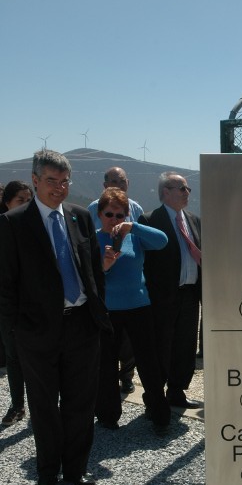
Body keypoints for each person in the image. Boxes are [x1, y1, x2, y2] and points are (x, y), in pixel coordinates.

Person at [0, 150, 112, 485]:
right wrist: (16, 331)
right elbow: (5, 284)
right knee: (44, 404)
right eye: (51, 180)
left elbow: (94, 272)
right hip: (37, 331)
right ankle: (47, 471)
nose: (59, 188)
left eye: (65, 181)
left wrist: (96, 313)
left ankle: (76, 469)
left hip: (82, 325)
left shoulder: (80, 217)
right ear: (35, 181)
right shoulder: (13, 223)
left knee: (81, 402)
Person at [95, 187, 171, 436]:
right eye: (109, 214)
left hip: (139, 307)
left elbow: (162, 241)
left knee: (149, 362)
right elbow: (89, 276)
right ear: (100, 214)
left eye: (120, 215)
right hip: (108, 311)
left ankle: (159, 415)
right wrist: (105, 266)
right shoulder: (92, 239)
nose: (114, 220)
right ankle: (107, 415)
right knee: (107, 364)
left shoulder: (134, 236)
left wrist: (133, 227)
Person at [140, 172, 202, 409]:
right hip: (163, 297)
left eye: (188, 189)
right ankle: (155, 397)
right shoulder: (149, 220)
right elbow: (145, 262)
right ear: (166, 191)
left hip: (189, 294)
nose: (187, 192)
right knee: (161, 346)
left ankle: (177, 391)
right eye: (182, 188)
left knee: (185, 346)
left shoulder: (194, 220)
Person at [88, 166, 143, 395]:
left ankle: (127, 377)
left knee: (129, 342)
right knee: (108, 341)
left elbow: (144, 237)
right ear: (104, 185)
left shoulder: (136, 207)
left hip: (130, 280)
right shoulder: (93, 207)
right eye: (113, 181)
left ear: (127, 184)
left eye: (121, 181)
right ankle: (105, 387)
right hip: (105, 284)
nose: (118, 185)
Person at [0, 181, 34, 426]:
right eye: (20, 200)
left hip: (34, 304)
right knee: (13, 357)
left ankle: (43, 405)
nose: (26, 205)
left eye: (29, 200)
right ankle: (17, 405)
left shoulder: (37, 228)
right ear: (7, 203)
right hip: (8, 305)